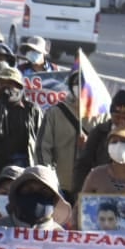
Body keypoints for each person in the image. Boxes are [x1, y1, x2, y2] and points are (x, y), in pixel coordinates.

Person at [38, 70, 94, 203]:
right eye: (76, 84)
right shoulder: (55, 113)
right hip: (62, 186)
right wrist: (47, 178)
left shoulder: (100, 115)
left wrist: (89, 145)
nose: (79, 87)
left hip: (91, 186)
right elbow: (42, 148)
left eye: (84, 84)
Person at [0, 66, 43, 171]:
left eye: (10, 84)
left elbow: (42, 142)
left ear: (19, 87)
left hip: (23, 167)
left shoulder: (32, 110)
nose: (5, 88)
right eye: (2, 84)